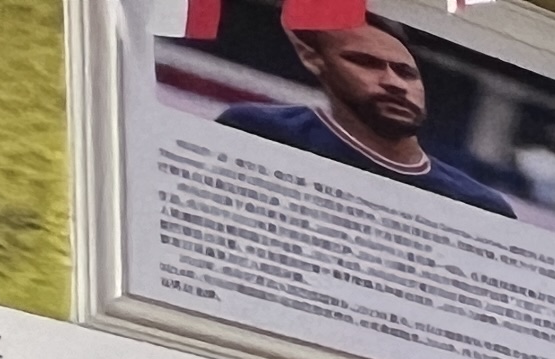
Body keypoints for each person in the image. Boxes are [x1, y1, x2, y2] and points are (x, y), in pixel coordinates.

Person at [216, 17, 519, 216]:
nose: (394, 83)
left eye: (406, 72)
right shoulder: (263, 131)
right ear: (315, 61)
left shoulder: (480, 204)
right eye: (366, 63)